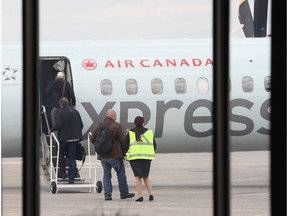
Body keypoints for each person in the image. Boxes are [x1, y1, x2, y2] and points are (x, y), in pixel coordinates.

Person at [90, 109, 135, 201]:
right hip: (115, 155)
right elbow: (123, 141)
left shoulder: (99, 125)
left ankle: (107, 195)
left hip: (103, 156)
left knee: (106, 175)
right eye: (116, 115)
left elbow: (92, 138)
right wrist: (125, 152)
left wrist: (101, 146)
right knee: (121, 174)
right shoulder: (117, 126)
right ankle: (124, 193)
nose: (116, 117)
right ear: (113, 116)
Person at [49, 97, 83, 184]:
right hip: (75, 139)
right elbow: (81, 125)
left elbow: (59, 124)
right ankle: (71, 178)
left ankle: (63, 173)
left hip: (65, 138)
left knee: (61, 154)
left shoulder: (61, 112)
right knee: (72, 158)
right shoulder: (76, 112)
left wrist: (51, 129)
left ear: (61, 105)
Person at [124, 116, 156, 202]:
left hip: (135, 158)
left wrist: (126, 155)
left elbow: (125, 146)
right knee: (146, 176)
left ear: (134, 123)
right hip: (147, 157)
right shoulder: (149, 132)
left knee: (137, 177)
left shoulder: (130, 132)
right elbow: (154, 145)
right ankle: (151, 194)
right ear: (143, 123)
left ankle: (140, 196)